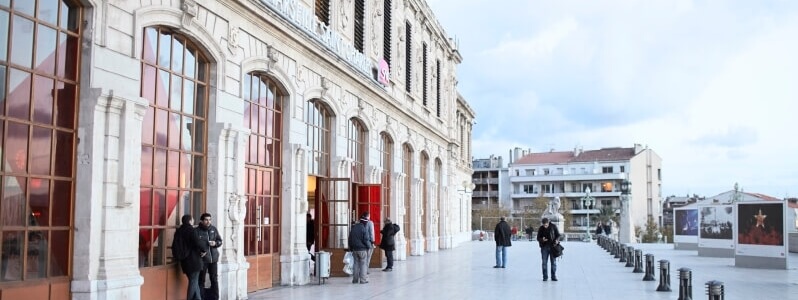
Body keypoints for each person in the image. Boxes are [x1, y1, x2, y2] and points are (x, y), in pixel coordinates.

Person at [175, 214, 205, 300]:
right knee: (193, 282)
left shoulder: (179, 231)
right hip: (194, 260)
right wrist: (204, 250)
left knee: (194, 282)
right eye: (193, 220)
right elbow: (198, 242)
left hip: (184, 261)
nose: (194, 221)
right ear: (190, 221)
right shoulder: (191, 230)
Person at [196, 213, 223, 300]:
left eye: (210, 220)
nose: (208, 222)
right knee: (201, 280)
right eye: (206, 220)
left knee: (214, 279)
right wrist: (200, 252)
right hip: (203, 260)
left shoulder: (213, 229)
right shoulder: (197, 231)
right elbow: (194, 245)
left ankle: (216, 298)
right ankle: (202, 298)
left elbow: (219, 241)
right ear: (202, 221)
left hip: (214, 259)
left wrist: (216, 243)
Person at [348, 216, 372, 284]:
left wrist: (351, 248)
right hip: (362, 249)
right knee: (363, 264)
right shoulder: (364, 229)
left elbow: (350, 238)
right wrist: (369, 246)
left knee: (355, 264)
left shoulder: (353, 228)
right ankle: (363, 280)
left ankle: (355, 280)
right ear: (365, 222)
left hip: (355, 249)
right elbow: (366, 240)